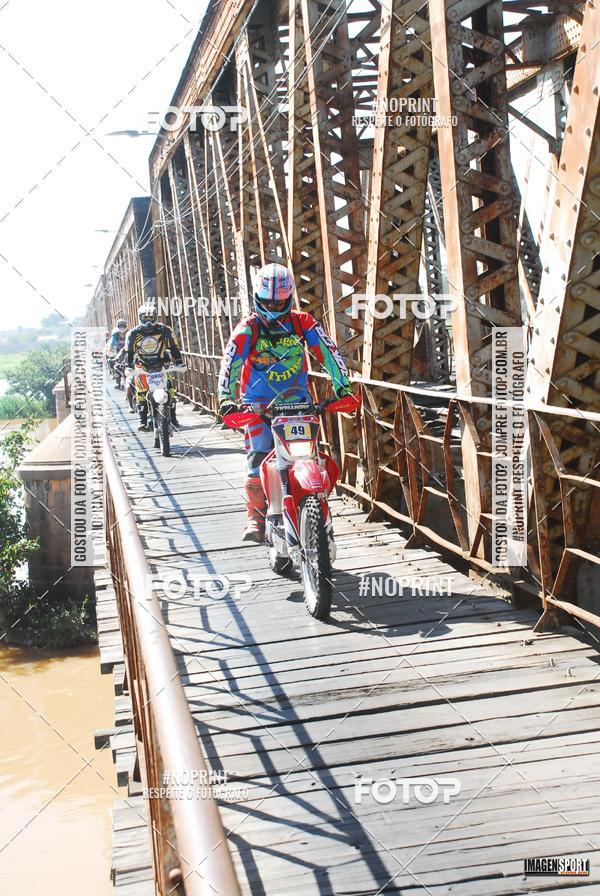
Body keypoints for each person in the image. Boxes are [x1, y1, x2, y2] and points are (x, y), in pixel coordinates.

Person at [218, 262, 352, 543]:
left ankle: (315, 506)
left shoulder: (302, 322)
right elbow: (230, 363)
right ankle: (255, 516)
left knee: (312, 455)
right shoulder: (248, 329)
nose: (274, 308)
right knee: (258, 454)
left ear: (289, 298)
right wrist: (226, 399)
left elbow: (327, 352)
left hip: (298, 402)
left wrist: (343, 386)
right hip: (258, 406)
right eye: (268, 303)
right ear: (257, 298)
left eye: (280, 303)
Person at [125, 303, 183, 431]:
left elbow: (173, 347)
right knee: (141, 391)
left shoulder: (164, 330)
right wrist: (129, 366)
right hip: (142, 366)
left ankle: (173, 418)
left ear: (156, 317)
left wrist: (179, 361)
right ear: (140, 318)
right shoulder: (133, 333)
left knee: (170, 390)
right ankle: (142, 420)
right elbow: (129, 352)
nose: (149, 321)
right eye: (145, 318)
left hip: (162, 365)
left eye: (152, 318)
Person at [105, 319, 128, 385]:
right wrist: (110, 349)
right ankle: (118, 382)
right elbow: (112, 342)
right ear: (118, 326)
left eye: (123, 326)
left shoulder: (129, 332)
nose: (122, 327)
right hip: (119, 351)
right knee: (118, 365)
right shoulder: (115, 334)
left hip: (129, 350)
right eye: (120, 326)